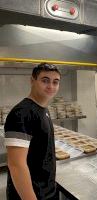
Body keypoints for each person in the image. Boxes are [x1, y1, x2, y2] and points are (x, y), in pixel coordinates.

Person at [4, 63, 61, 200]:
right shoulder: (21, 113)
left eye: (55, 82)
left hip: (47, 190)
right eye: (45, 80)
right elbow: (16, 165)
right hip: (32, 194)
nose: (51, 86)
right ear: (32, 81)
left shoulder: (42, 109)